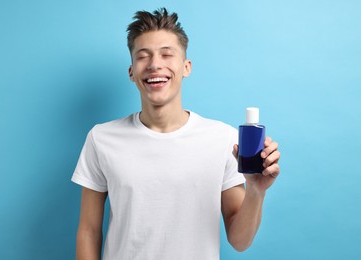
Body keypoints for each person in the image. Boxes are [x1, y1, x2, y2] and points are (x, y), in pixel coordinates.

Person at [71, 7, 281, 260]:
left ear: (186, 67)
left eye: (166, 54)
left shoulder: (224, 139)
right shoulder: (101, 138)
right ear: (131, 72)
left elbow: (239, 241)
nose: (154, 64)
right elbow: (89, 231)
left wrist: (256, 191)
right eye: (143, 56)